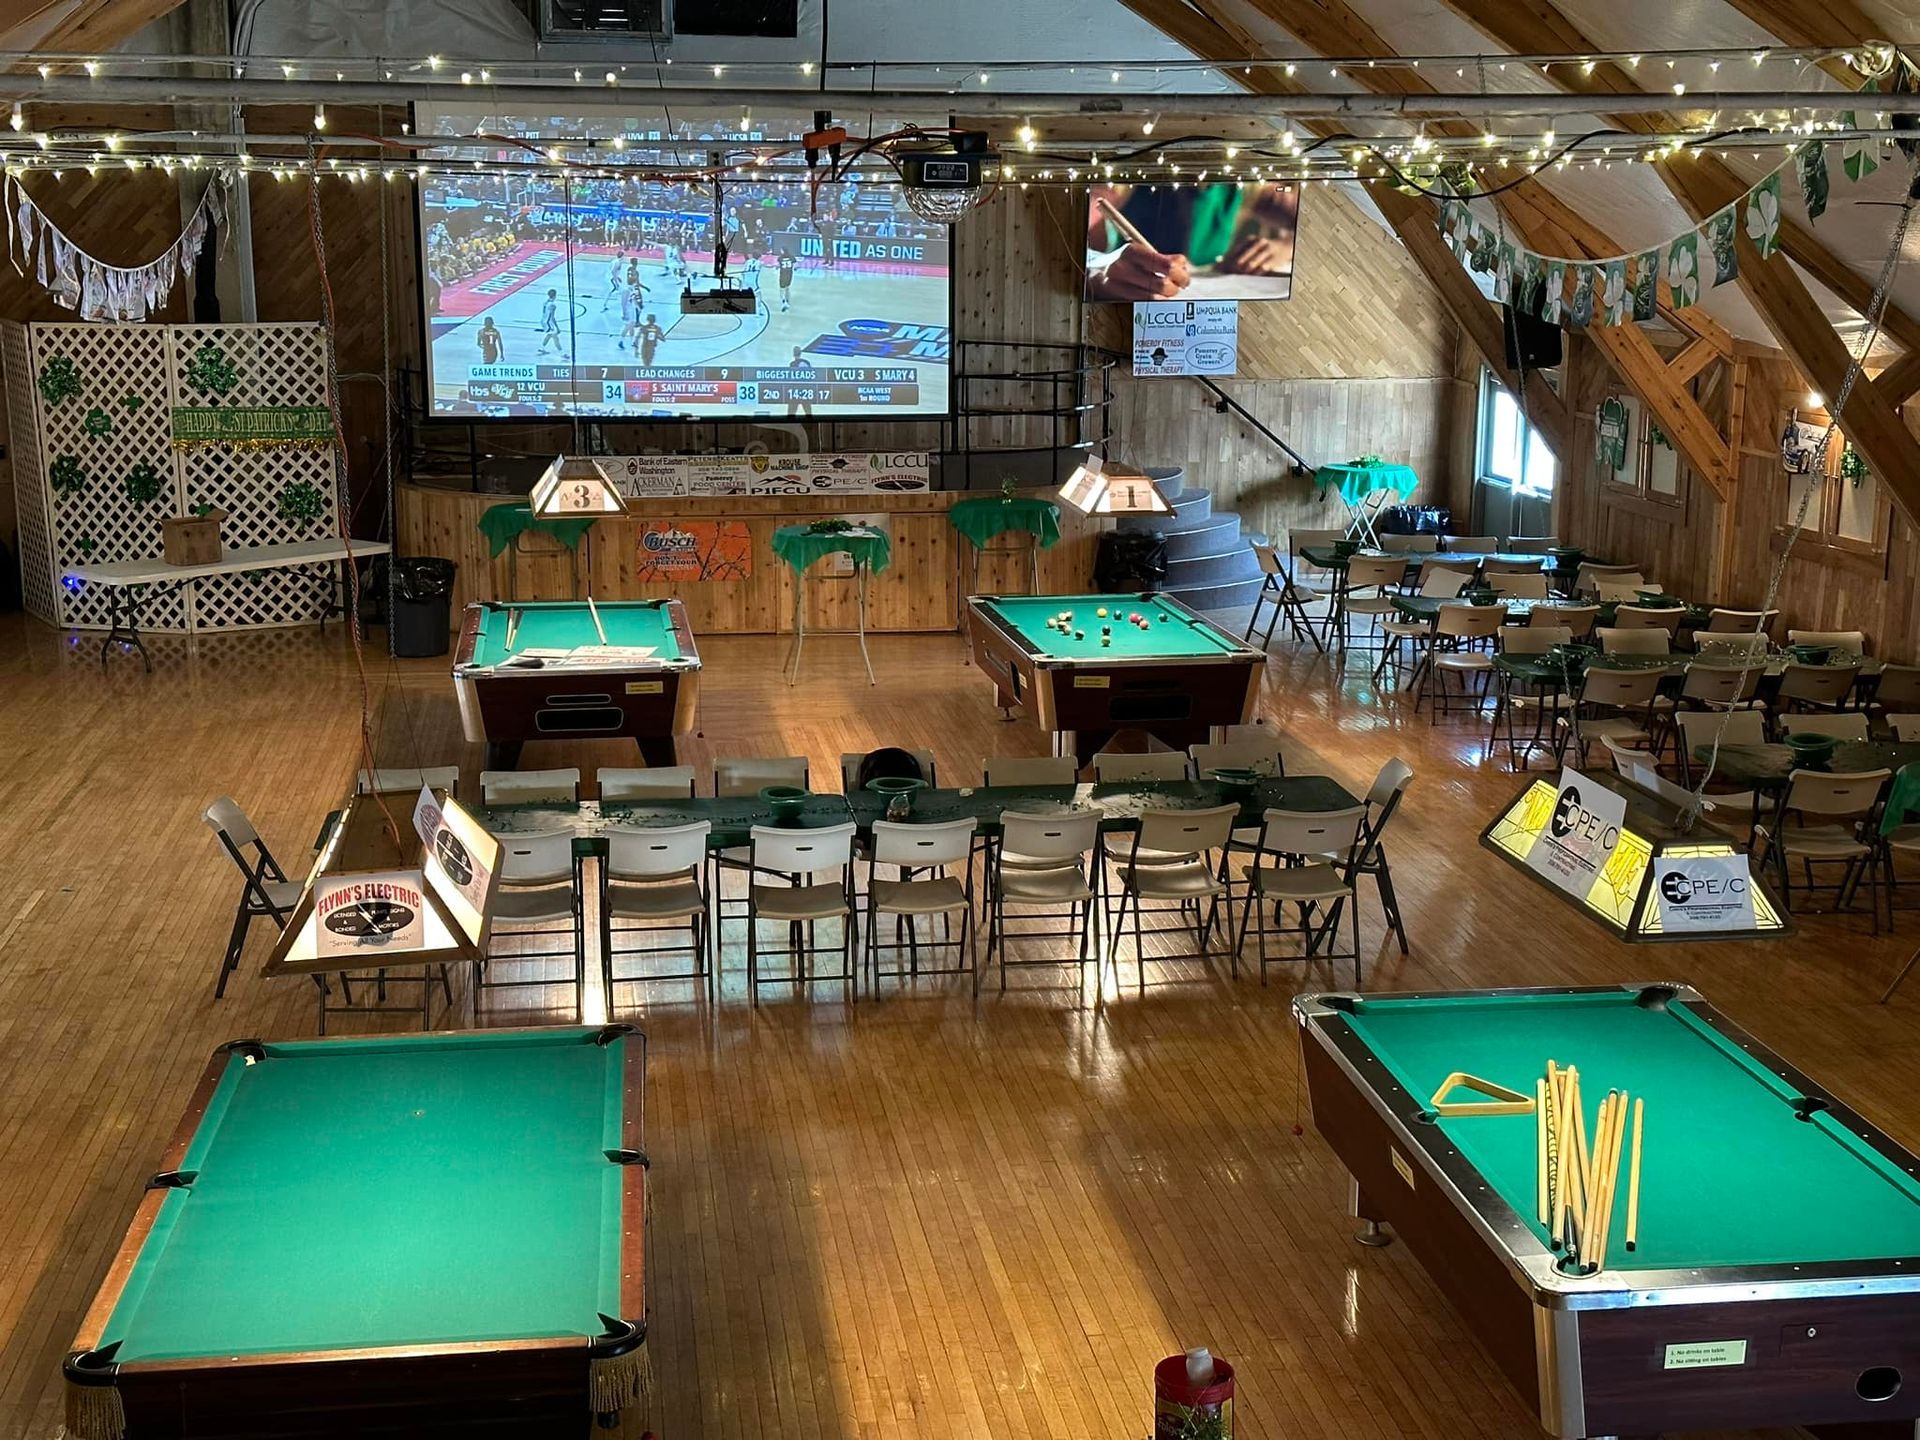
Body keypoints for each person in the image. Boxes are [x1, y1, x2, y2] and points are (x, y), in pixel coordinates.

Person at [785, 345, 814, 418]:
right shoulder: (807, 362)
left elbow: (791, 379)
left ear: (793, 354)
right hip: (805, 390)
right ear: (800, 353)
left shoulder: (792, 364)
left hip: (796, 391)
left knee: (791, 414)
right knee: (808, 413)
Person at [538, 287, 564, 356]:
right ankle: (562, 353)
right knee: (555, 337)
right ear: (555, 295)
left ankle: (542, 348)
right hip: (548, 322)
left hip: (543, 320)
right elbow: (552, 317)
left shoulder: (546, 302)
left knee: (549, 335)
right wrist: (557, 327)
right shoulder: (553, 305)